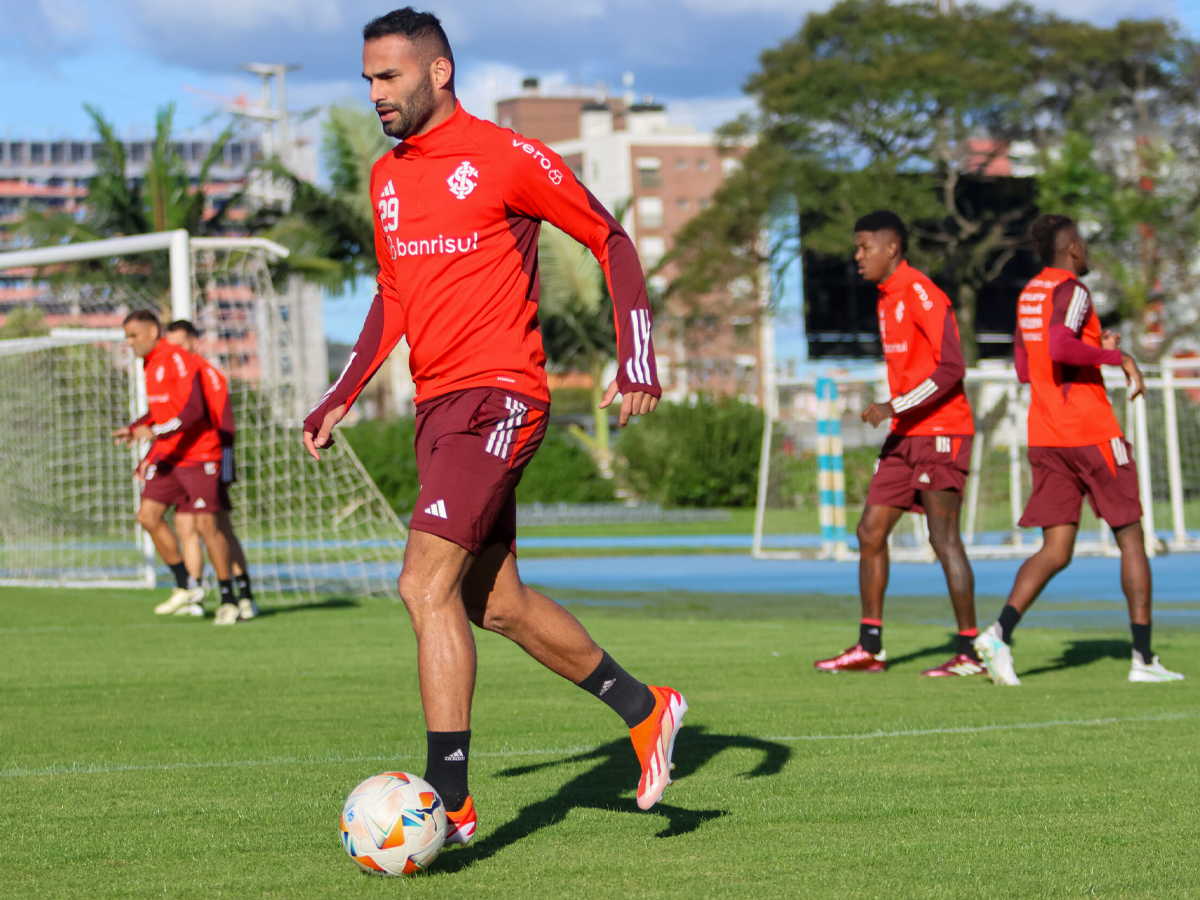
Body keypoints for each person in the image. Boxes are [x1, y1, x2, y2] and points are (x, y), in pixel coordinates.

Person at [302, 8, 685, 845]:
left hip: (500, 396)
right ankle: (646, 708)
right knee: (493, 602)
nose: (376, 93)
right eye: (368, 79)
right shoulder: (385, 177)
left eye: (390, 76)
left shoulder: (506, 155)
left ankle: (450, 801)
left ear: (439, 72)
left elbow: (609, 238)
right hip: (438, 407)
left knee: (421, 584)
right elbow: (393, 296)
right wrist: (340, 392)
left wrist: (637, 355)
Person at [974, 215, 1184, 685]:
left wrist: (1096, 344)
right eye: (1084, 245)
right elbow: (1061, 345)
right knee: (1131, 538)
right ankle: (1144, 660)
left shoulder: (1029, 293)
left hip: (1047, 436)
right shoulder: (1073, 291)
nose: (1087, 252)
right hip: (1089, 433)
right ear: (1072, 249)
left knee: (1056, 549)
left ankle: (998, 634)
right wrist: (1118, 356)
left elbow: (1028, 367)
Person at [815, 211, 982, 677]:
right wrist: (899, 414)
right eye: (856, 247)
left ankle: (972, 652)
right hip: (905, 435)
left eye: (865, 246)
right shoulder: (886, 299)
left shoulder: (921, 292)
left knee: (943, 537)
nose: (857, 256)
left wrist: (895, 405)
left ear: (892, 248)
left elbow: (952, 368)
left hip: (941, 432)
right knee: (870, 532)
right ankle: (870, 647)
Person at [113, 310, 238, 621]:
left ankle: (229, 599)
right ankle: (185, 585)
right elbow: (162, 409)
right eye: (126, 336)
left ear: (154, 331)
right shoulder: (149, 362)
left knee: (207, 526)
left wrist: (153, 431)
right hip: (170, 454)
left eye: (133, 335)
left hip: (199, 454)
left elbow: (193, 409)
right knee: (147, 515)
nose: (129, 342)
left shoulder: (177, 357)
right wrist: (136, 427)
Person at [161, 319, 258, 623]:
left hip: (209, 460)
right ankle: (196, 593)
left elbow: (222, 423)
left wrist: (224, 466)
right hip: (184, 461)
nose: (175, 351)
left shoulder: (207, 374)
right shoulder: (178, 376)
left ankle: (240, 596)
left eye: (180, 344)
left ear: (194, 342)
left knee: (217, 527)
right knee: (186, 527)